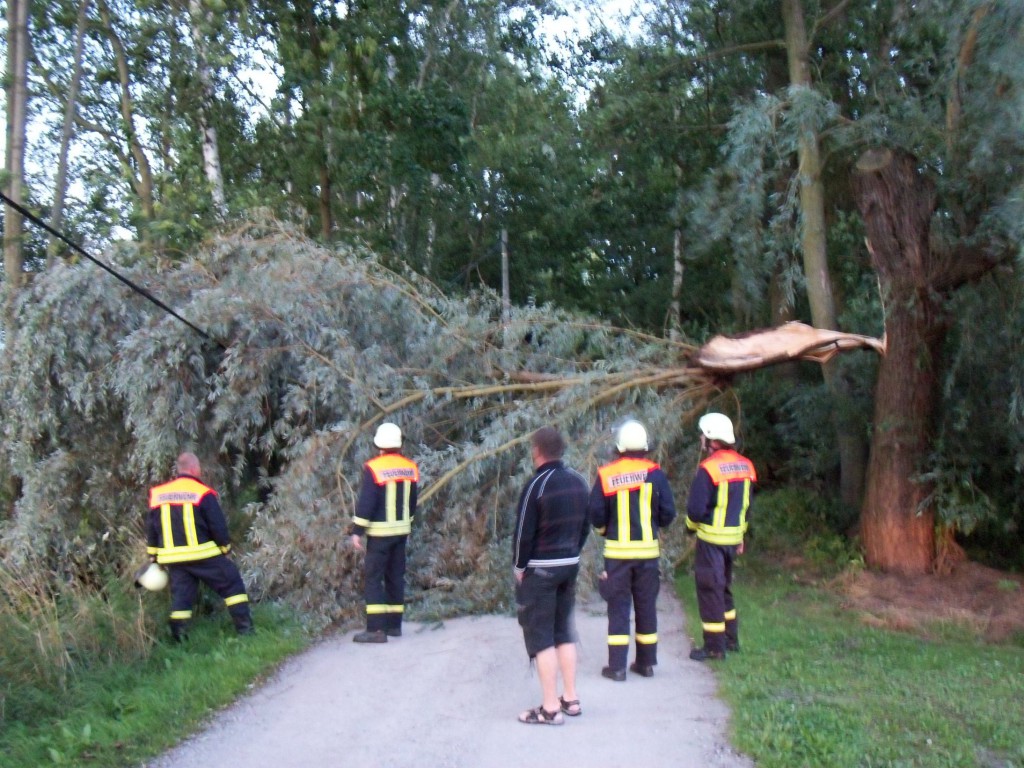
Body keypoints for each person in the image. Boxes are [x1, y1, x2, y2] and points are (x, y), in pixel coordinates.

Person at [513, 426, 590, 725]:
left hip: (540, 570)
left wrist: (520, 568)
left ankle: (549, 708)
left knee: (541, 637)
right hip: (569, 565)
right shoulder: (579, 481)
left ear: (537, 451)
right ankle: (570, 698)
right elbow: (586, 524)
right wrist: (573, 552)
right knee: (564, 632)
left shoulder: (536, 485)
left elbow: (523, 534)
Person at [589, 419, 676, 681]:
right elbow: (668, 513)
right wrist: (654, 525)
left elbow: (595, 514)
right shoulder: (656, 474)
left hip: (617, 556)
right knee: (646, 606)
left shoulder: (607, 474)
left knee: (618, 608)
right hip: (648, 554)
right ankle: (646, 663)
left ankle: (617, 668)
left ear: (619, 447)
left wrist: (605, 530)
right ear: (645, 447)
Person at [146, 452, 253, 640]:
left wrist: (153, 556)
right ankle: (245, 631)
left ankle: (178, 640)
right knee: (232, 583)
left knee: (182, 597)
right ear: (195, 469)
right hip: (202, 555)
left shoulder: (159, 494)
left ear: (179, 469)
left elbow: (152, 528)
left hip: (173, 559)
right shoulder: (202, 492)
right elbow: (217, 525)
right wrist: (225, 549)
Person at [685, 413, 757, 661]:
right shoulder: (746, 466)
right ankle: (731, 639)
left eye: (703, 434)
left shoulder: (709, 469)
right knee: (724, 589)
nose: (701, 438)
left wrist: (689, 526)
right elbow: (747, 506)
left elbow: (695, 509)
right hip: (733, 539)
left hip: (711, 542)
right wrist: (741, 536)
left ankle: (714, 647)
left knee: (709, 590)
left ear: (712, 440)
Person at [350, 422, 419, 643]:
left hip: (379, 534)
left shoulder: (374, 467)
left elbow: (367, 502)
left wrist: (357, 531)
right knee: (395, 577)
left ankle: (375, 630)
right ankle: (394, 626)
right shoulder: (410, 467)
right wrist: (407, 524)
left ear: (379, 445)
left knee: (373, 578)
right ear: (399, 444)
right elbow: (412, 501)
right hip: (401, 533)